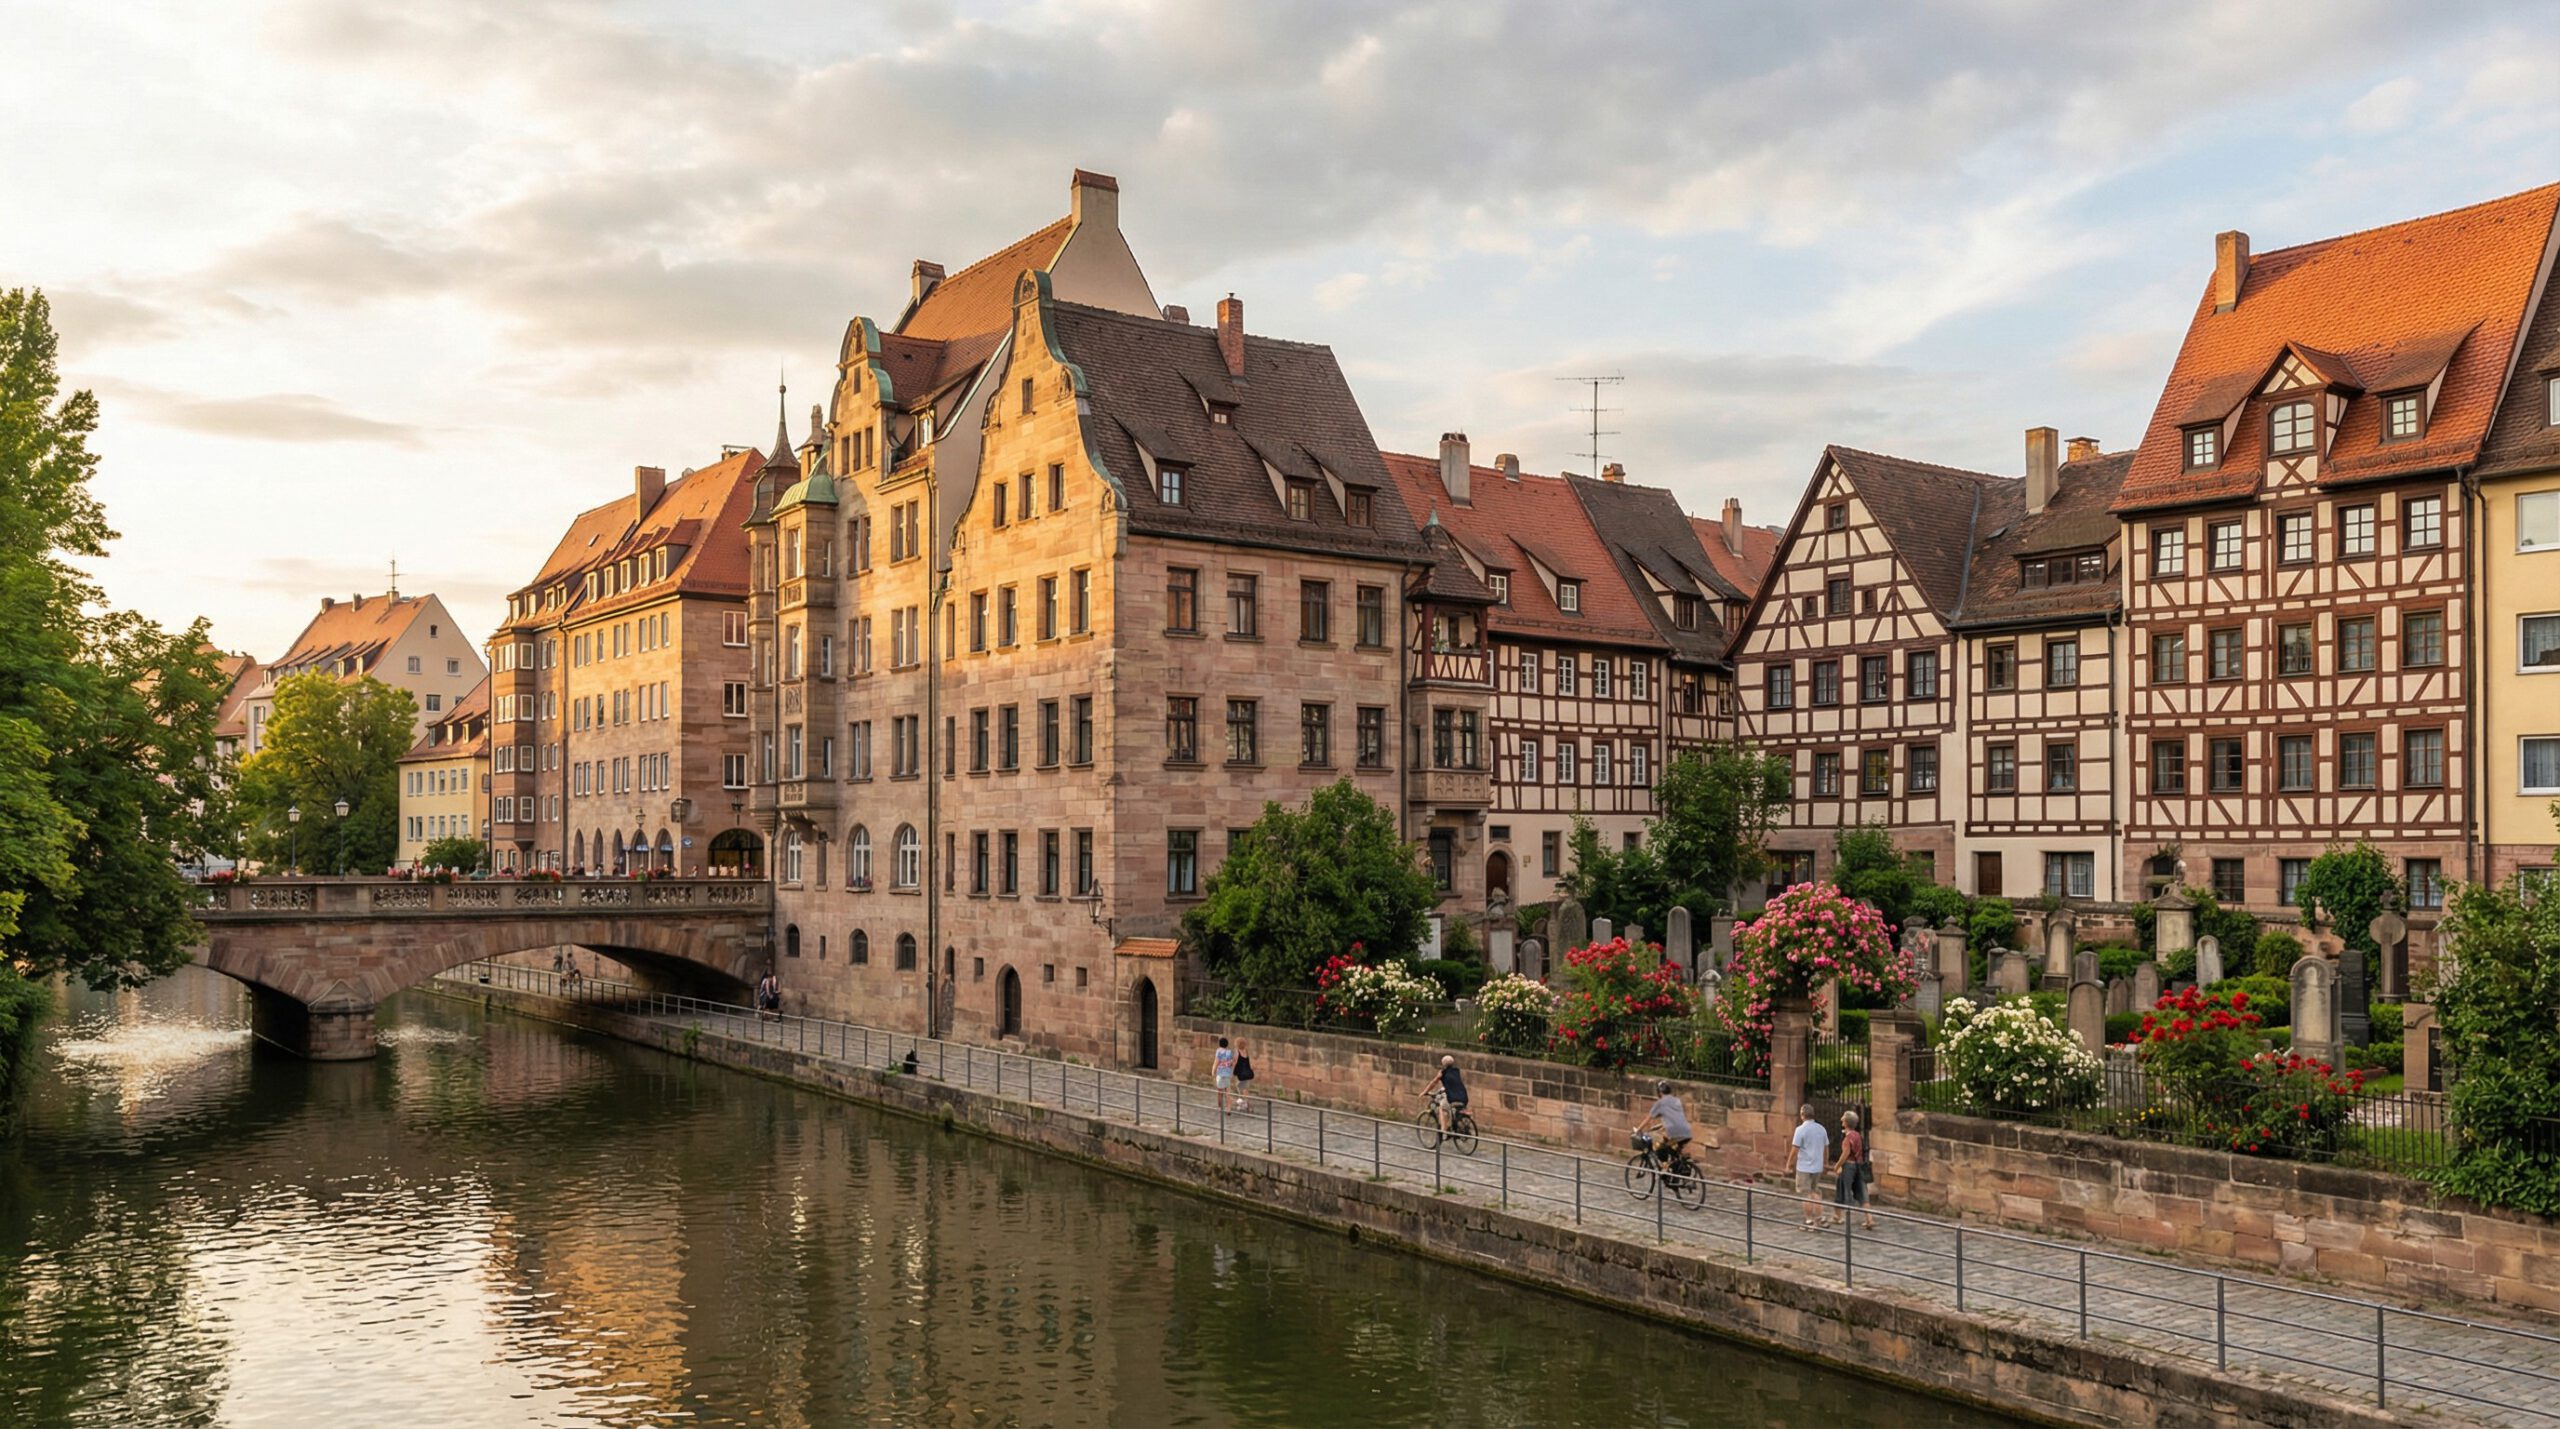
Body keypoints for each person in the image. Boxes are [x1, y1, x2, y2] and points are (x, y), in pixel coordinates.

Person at [1831, 1109, 1876, 1230]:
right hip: (1859, 1165)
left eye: (1843, 1118)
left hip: (1849, 1166)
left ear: (1846, 1122)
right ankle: (1869, 1218)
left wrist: (1837, 1165)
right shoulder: (1858, 1136)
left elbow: (1845, 1154)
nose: (1841, 1120)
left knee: (1842, 1189)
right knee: (1862, 1192)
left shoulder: (1847, 1138)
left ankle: (1838, 1216)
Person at [1788, 1103, 1831, 1229]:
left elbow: (1795, 1149)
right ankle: (1819, 1217)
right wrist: (1825, 1163)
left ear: (1802, 1115)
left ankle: (1809, 1220)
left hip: (1804, 1167)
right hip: (1817, 1166)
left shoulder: (1800, 1130)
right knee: (1816, 1192)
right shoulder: (1821, 1129)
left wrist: (1789, 1164)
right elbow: (1826, 1148)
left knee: (1806, 1194)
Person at [1636, 1079, 1692, 1167]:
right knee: (1672, 1150)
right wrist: (1662, 1126)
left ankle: (1665, 1167)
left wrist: (1638, 1129)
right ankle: (1678, 1167)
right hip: (1687, 1132)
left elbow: (1648, 1118)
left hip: (1675, 1133)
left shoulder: (1660, 1103)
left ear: (1659, 1092)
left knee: (1658, 1147)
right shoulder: (1677, 1101)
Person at [1423, 1055, 1468, 1132]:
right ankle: (1453, 1125)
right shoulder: (1456, 1071)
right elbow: (1452, 1084)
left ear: (1443, 1064)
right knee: (1450, 1108)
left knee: (1442, 1107)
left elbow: (1433, 1083)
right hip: (1464, 1097)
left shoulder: (1442, 1073)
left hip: (1453, 1098)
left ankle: (1444, 1129)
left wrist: (1424, 1092)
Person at [1212, 1037, 1237, 1106]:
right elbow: (1232, 1063)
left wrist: (1213, 1071)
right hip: (1227, 1073)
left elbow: (1216, 1062)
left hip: (1220, 1073)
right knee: (1227, 1091)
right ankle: (1228, 1107)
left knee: (1219, 1091)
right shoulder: (1229, 1052)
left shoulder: (1219, 1051)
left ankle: (1220, 1105)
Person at [1232, 1044, 1255, 1112]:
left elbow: (1234, 1062)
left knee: (1242, 1089)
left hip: (1241, 1074)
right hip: (1246, 1073)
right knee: (1243, 1089)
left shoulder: (1237, 1052)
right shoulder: (1246, 1051)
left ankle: (1248, 1105)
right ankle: (1243, 1104)